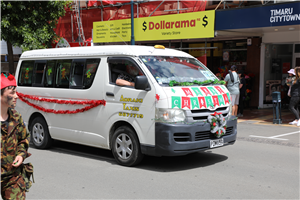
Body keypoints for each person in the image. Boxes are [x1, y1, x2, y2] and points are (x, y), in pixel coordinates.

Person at [0, 73, 30, 199]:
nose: (16, 96)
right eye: (11, 93)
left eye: (16, 92)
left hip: (12, 177)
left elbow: (24, 139)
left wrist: (20, 155)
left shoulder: (16, 116)